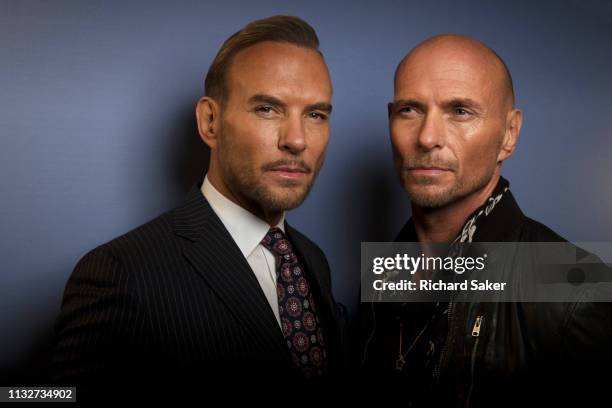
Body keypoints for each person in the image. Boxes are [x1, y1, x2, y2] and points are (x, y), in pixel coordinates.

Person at [52, 15, 345, 398]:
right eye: (267, 109)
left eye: (315, 115)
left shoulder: (313, 260)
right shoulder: (119, 273)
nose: (296, 140)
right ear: (210, 122)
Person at [358, 34, 612, 406]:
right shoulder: (385, 268)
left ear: (509, 134)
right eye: (409, 109)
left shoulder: (578, 291)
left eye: (460, 111)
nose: (427, 137)